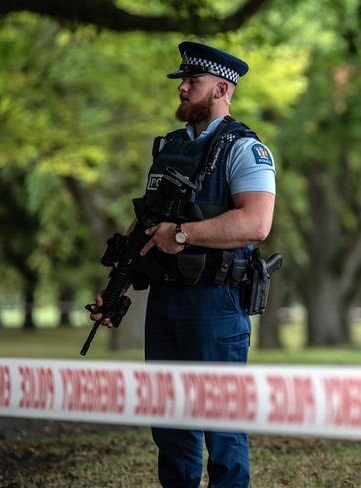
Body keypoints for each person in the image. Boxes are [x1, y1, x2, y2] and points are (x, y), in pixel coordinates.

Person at [90, 41, 276, 487]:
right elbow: (147, 222)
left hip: (216, 302)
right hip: (166, 299)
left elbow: (257, 222)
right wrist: (116, 288)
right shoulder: (170, 146)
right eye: (182, 81)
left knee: (222, 422)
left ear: (222, 89)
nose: (183, 88)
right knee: (169, 422)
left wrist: (184, 234)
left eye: (193, 81)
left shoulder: (244, 148)